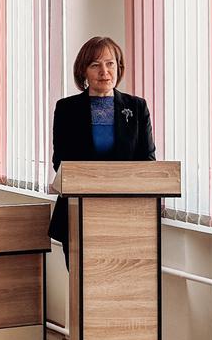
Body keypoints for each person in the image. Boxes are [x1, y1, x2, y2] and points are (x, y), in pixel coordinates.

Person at [49, 36, 155, 262]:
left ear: (119, 67)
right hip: (78, 214)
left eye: (110, 64)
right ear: (83, 71)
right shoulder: (67, 109)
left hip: (125, 217)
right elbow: (60, 162)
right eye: (95, 65)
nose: (104, 71)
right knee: (82, 281)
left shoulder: (137, 107)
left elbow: (147, 160)